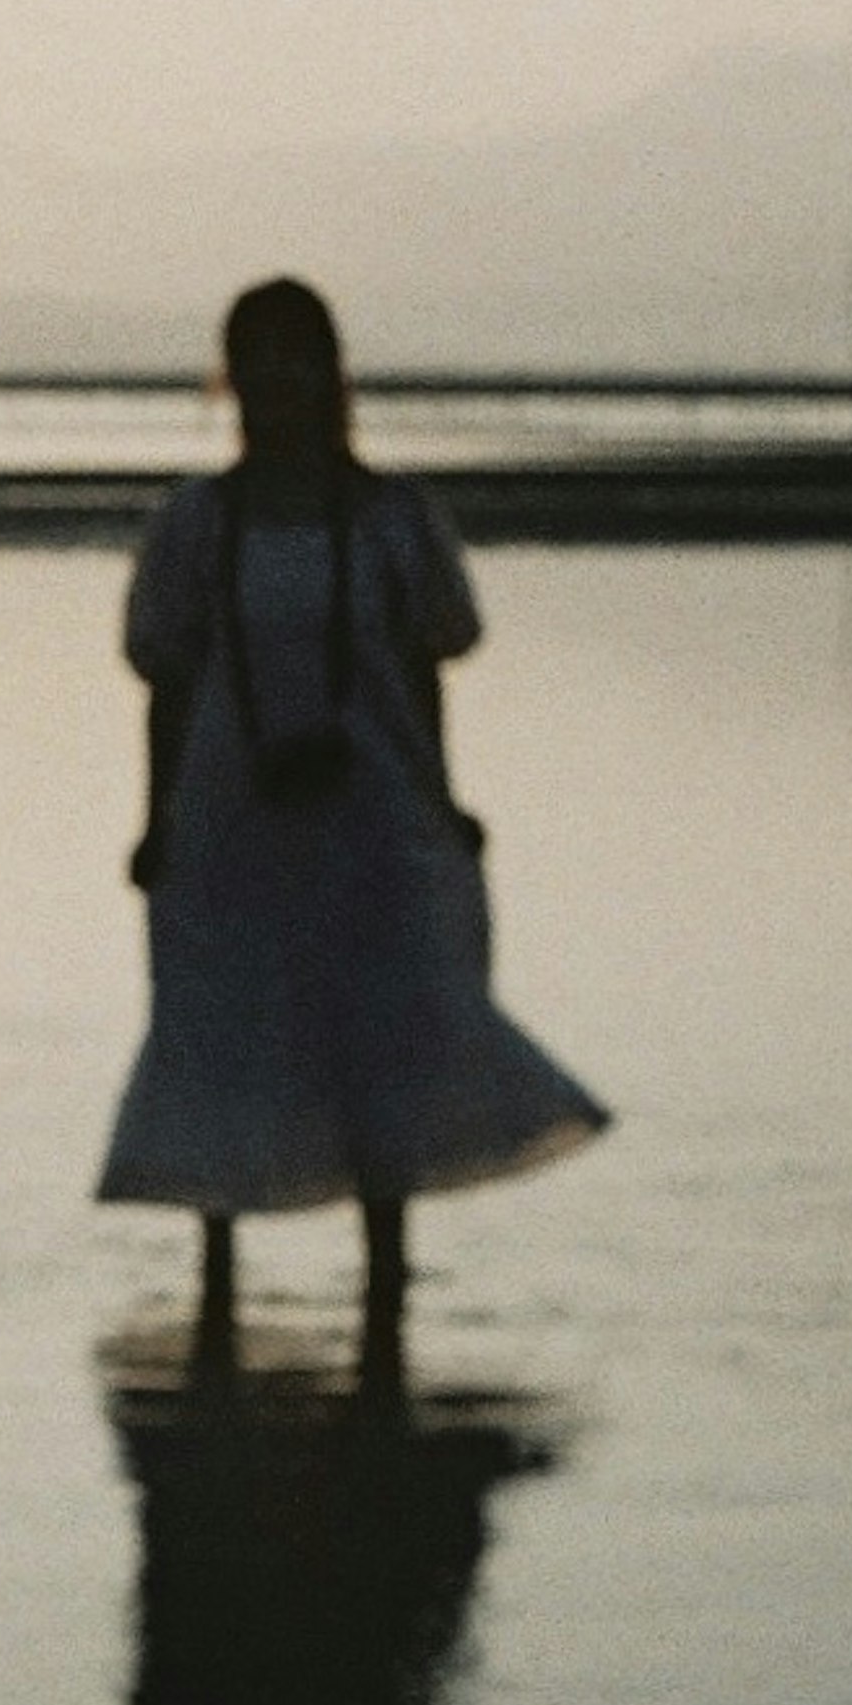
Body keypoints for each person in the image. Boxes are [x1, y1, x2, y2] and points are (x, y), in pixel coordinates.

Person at [98, 278, 605, 1401]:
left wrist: (447, 804)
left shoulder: (392, 521)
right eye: (258, 360)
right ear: (230, 378)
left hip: (372, 814)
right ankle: (218, 1298)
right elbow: (169, 684)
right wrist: (153, 825)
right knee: (224, 1035)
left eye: (299, 358)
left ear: (333, 373)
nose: (280, 383)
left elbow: (425, 671)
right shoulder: (195, 526)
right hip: (232, 822)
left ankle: (386, 1289)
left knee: (386, 1036)